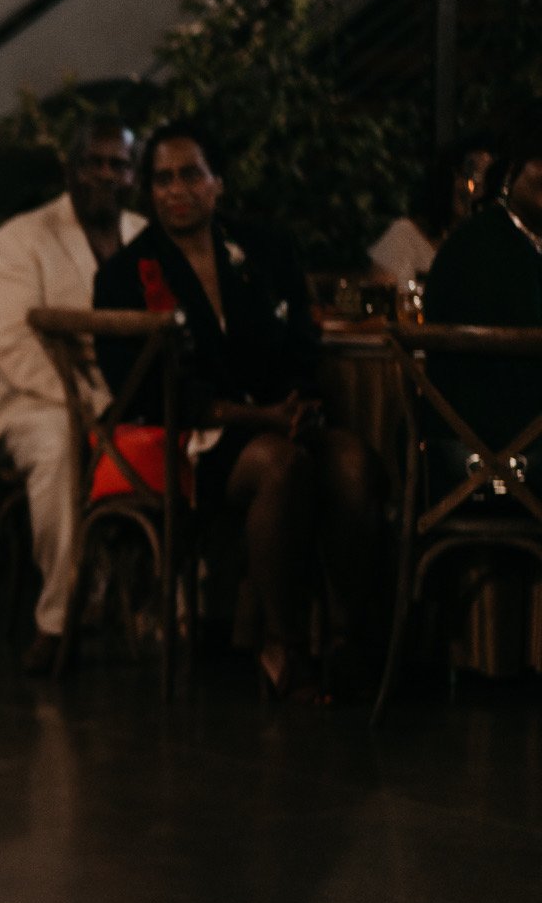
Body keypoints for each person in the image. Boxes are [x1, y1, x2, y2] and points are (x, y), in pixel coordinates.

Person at [94, 122, 384, 701]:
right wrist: (261, 419)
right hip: (187, 435)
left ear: (218, 182)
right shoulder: (127, 273)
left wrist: (300, 403)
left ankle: (354, 640)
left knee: (353, 461)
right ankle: (283, 645)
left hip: (278, 414)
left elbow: (303, 340)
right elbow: (142, 387)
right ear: (149, 192)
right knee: (279, 466)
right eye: (162, 179)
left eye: (191, 175)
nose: (177, 190)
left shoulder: (266, 249)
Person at [0, 117, 144, 673]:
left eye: (117, 164)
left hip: (129, 394)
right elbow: (15, 344)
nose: (105, 175)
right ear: (69, 172)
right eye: (93, 163)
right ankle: (59, 617)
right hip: (36, 397)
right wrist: (86, 407)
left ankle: (170, 610)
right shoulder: (20, 238)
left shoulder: (148, 235)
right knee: (60, 447)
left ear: (133, 175)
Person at [422, 112, 542, 454]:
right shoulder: (485, 248)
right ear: (510, 169)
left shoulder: (520, 242)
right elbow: (518, 375)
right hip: (491, 449)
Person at [368, 134, 495, 286]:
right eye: (467, 174)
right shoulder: (403, 236)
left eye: (485, 179)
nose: (474, 188)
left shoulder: (484, 246)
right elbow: (384, 298)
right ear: (445, 176)